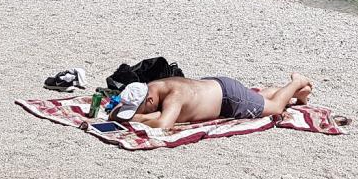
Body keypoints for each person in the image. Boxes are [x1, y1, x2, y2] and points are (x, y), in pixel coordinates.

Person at [111, 74, 313, 131]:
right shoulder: (154, 86)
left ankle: (297, 82)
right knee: (262, 99)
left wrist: (136, 118)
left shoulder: (174, 96)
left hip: (230, 99)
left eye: (142, 108)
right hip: (218, 88)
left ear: (150, 99)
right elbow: (155, 113)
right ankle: (299, 94)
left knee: (275, 108)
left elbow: (164, 125)